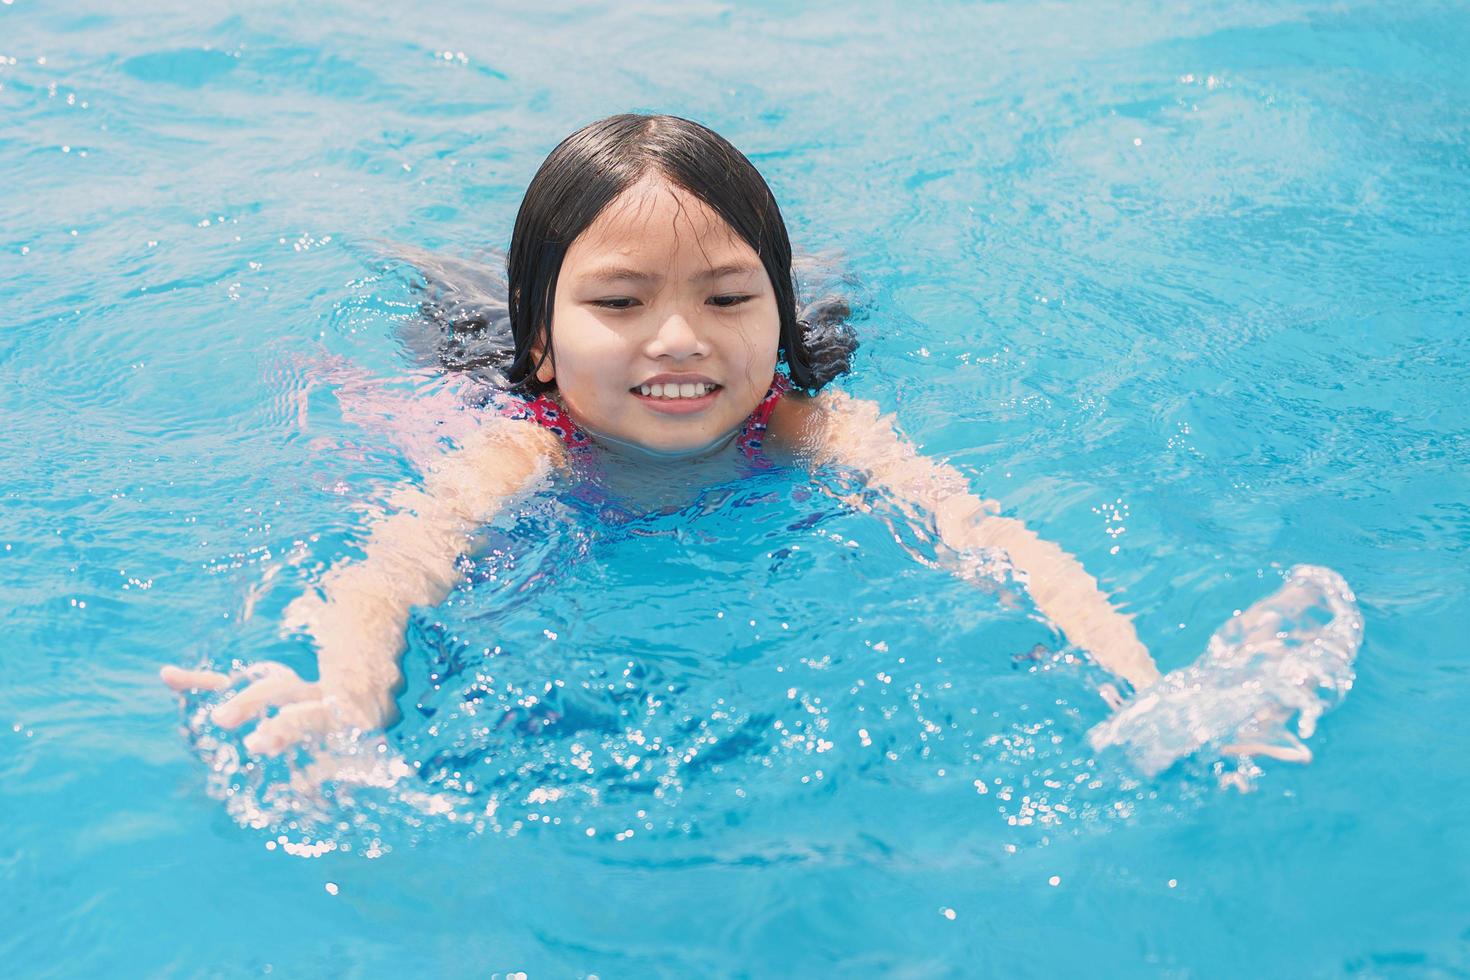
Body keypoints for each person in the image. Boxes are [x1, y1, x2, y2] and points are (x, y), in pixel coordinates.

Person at [161, 114, 1345, 770]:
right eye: (622, 303)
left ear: (773, 327)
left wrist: (1148, 685)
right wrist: (351, 692)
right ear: (543, 347)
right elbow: (388, 572)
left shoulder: (807, 424)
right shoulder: (525, 449)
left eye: (729, 299)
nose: (680, 342)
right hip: (485, 370)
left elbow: (994, 539)